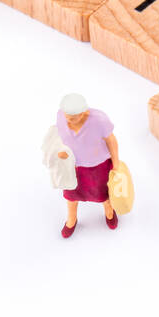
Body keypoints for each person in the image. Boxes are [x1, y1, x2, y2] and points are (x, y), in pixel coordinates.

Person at [55, 93, 119, 239]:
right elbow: (60, 136)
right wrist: (62, 152)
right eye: (67, 116)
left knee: (104, 193)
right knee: (71, 196)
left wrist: (116, 162)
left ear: (84, 112)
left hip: (97, 166)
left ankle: (109, 211)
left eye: (72, 118)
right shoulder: (61, 116)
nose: (68, 121)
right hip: (73, 166)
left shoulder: (99, 119)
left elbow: (111, 140)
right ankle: (71, 219)